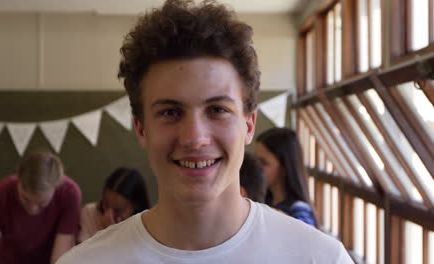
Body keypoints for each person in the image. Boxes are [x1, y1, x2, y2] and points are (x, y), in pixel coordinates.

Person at [57, 0, 353, 263]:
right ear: (141, 128)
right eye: (170, 112)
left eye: (217, 110)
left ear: (249, 124)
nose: (194, 138)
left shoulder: (319, 257)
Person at [0, 150, 81, 264]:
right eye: (26, 199)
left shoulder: (70, 194)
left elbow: (59, 259)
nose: (33, 208)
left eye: (41, 203)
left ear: (57, 186)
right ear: (18, 179)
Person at [254, 127, 318, 227]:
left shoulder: (299, 211)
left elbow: (308, 242)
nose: (256, 167)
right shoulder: (263, 202)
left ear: (284, 167)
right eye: (255, 160)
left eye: (263, 162)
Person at [78, 167, 149, 243]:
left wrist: (113, 233)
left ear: (136, 206)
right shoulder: (89, 213)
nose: (107, 215)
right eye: (106, 204)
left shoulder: (146, 229)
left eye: (118, 210)